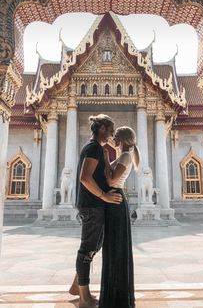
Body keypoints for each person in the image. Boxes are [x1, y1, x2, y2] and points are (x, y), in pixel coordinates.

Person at [69, 114, 123, 308]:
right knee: (88, 248)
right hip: (92, 204)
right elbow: (85, 177)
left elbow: (108, 175)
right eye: (110, 129)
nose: (112, 133)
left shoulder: (98, 149)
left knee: (96, 244)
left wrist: (120, 154)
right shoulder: (93, 148)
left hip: (94, 204)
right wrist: (104, 196)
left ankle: (77, 285)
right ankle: (84, 298)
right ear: (102, 129)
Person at [99, 126, 140, 308]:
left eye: (115, 137)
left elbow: (112, 180)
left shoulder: (125, 156)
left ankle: (118, 296)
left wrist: (105, 159)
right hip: (113, 201)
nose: (112, 140)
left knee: (117, 247)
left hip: (115, 200)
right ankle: (114, 293)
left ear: (121, 139)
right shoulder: (122, 155)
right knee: (113, 247)